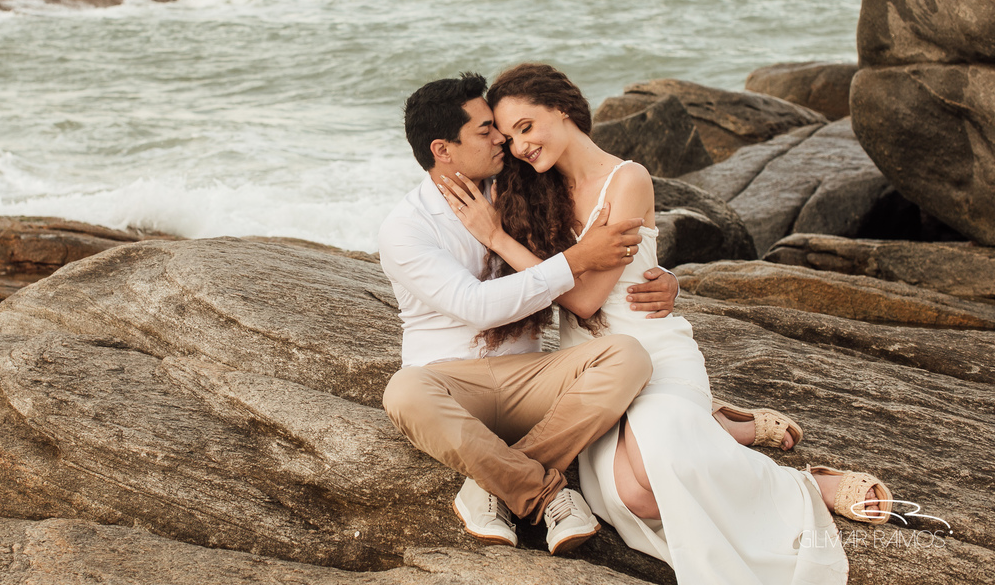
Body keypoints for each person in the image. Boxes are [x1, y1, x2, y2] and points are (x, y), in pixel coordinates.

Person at [437, 62, 894, 584]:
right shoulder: (529, 191)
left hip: (650, 351)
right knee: (634, 498)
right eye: (509, 136)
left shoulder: (626, 179)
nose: (519, 147)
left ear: (562, 109)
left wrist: (497, 239)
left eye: (526, 127)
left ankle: (807, 486)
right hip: (590, 371)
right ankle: (721, 427)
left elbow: (585, 300)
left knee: (652, 478)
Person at [378, 72, 681, 554]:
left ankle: (489, 484)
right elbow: (476, 307)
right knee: (404, 392)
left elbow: (597, 234)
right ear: (442, 149)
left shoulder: (520, 190)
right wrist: (578, 260)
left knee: (628, 356)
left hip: (530, 378)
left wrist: (661, 274)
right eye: (485, 130)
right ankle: (543, 494)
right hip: (452, 387)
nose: (501, 138)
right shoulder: (406, 229)